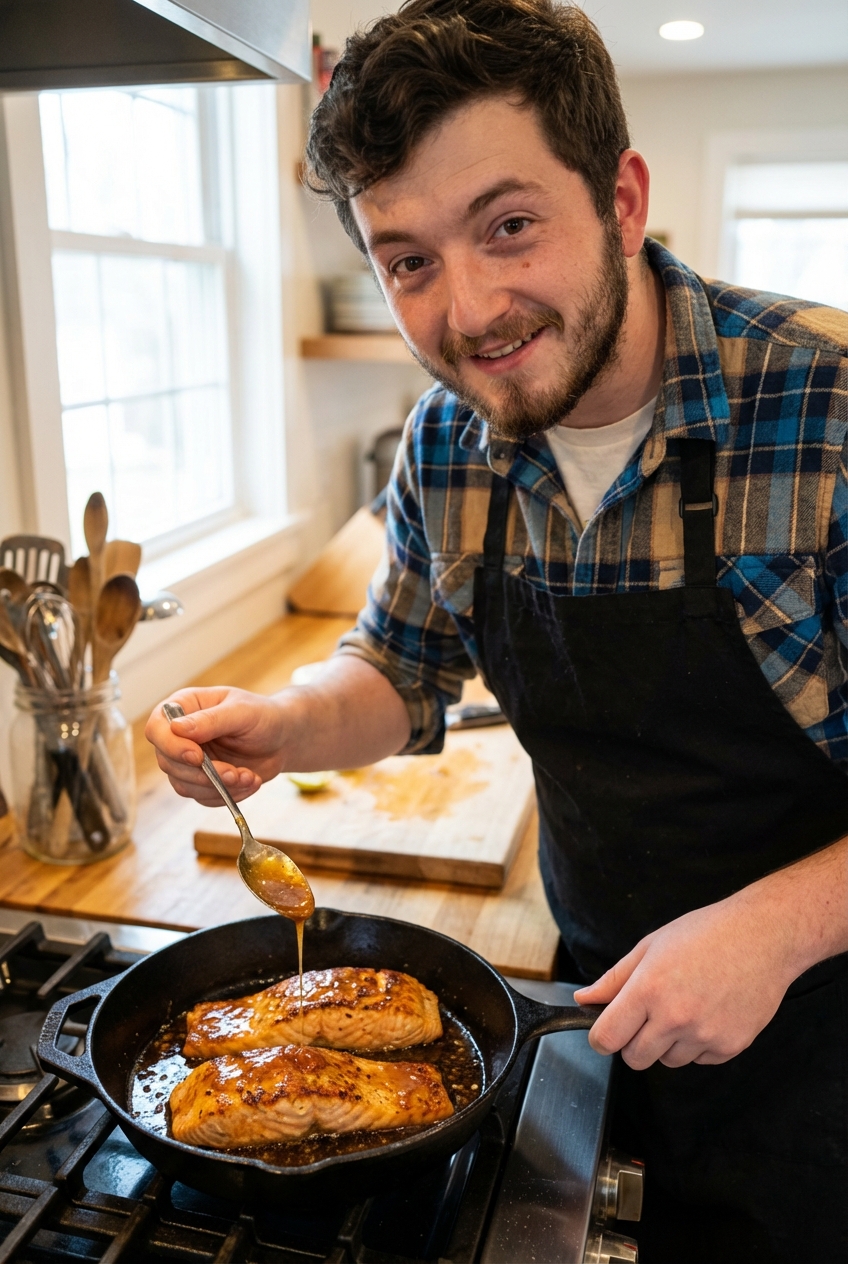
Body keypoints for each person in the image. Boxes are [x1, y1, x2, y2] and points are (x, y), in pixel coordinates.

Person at [145, 2, 848, 1258]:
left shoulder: (824, 410)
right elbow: (397, 666)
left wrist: (770, 929)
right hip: (595, 1000)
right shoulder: (446, 441)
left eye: (507, 226)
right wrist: (287, 720)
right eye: (407, 259)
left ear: (621, 200)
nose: (466, 310)